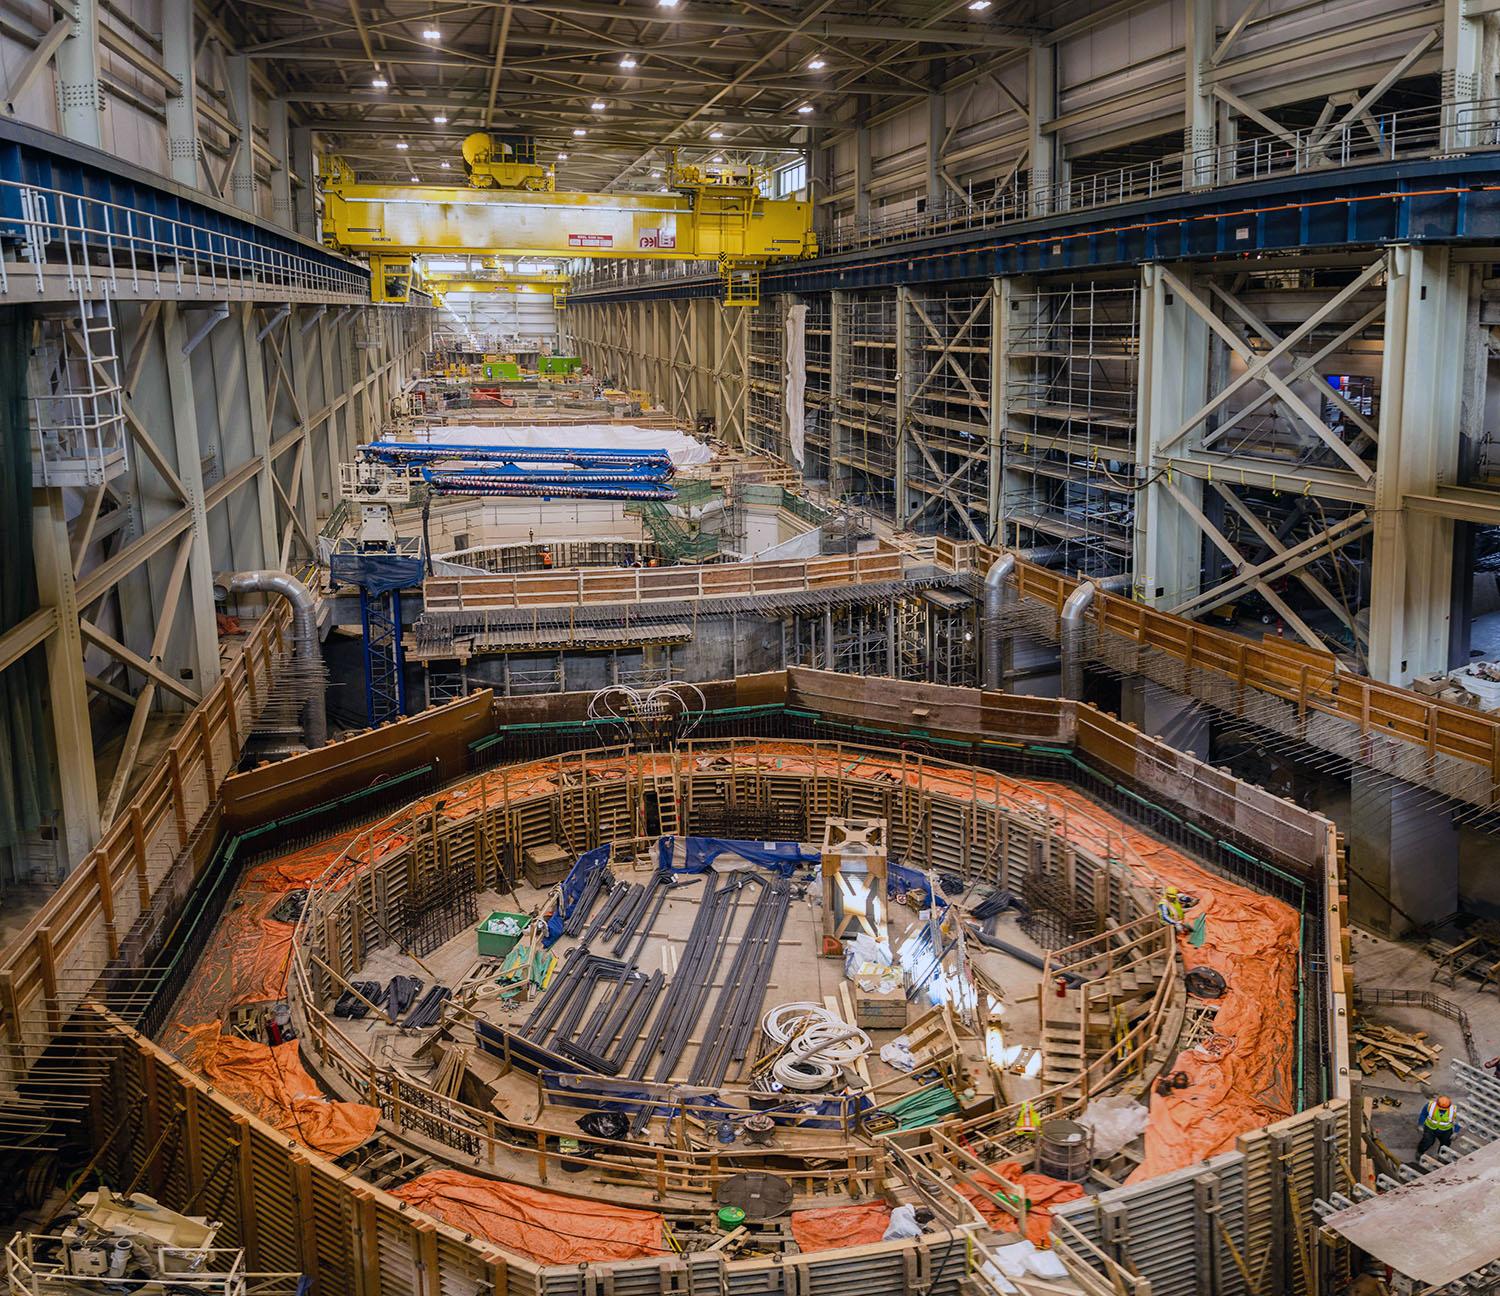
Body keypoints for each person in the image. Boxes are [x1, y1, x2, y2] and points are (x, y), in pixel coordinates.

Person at [1415, 1094, 1459, 1159]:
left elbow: (1458, 1121)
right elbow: (1423, 1115)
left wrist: (1456, 1132)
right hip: (1430, 1128)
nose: (1443, 1110)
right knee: (1427, 1141)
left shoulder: (1454, 1110)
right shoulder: (1430, 1106)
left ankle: (1442, 1156)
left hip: (1446, 1130)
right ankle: (1420, 1152)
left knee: (1445, 1144)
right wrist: (1420, 1125)